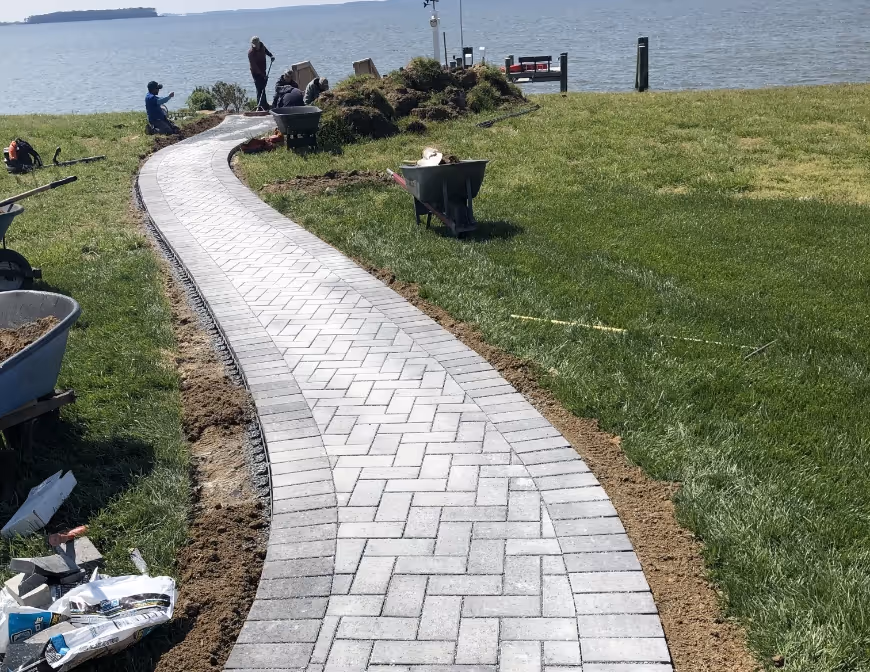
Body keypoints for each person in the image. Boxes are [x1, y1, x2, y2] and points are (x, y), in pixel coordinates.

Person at [248, 36, 275, 109]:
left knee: (263, 87)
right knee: (259, 88)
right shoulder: (251, 53)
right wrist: (263, 75)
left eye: (257, 44)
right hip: (256, 73)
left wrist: (271, 55)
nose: (256, 46)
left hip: (263, 70)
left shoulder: (262, 46)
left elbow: (266, 51)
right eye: (254, 44)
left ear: (259, 42)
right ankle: (260, 106)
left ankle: (264, 104)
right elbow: (254, 67)